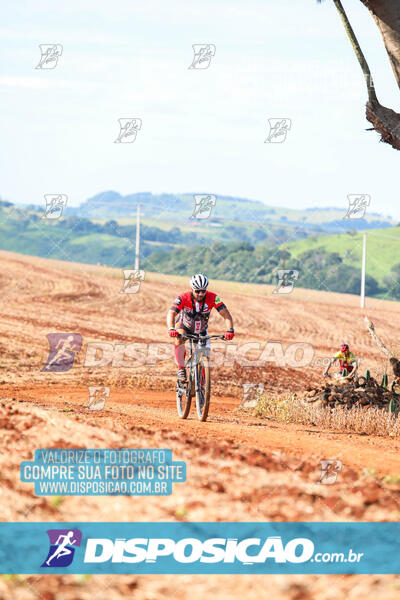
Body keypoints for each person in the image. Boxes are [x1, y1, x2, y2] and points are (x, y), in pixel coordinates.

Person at [167, 273, 234, 382]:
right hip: (184, 326)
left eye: (203, 291)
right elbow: (171, 313)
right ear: (192, 289)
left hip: (201, 329)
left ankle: (202, 384)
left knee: (205, 353)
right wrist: (171, 329)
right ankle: (181, 369)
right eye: (197, 291)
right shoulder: (183, 297)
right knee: (179, 339)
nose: (201, 294)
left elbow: (226, 314)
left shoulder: (213, 297)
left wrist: (230, 330)